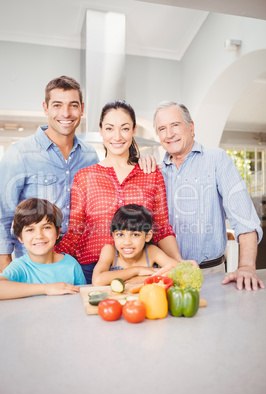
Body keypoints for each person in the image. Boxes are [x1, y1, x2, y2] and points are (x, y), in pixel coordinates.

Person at [55, 100, 188, 284]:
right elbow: (75, 231)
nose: (117, 136)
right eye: (109, 128)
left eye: (124, 128)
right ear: (101, 130)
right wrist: (48, 260)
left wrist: (179, 262)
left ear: (134, 131)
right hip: (92, 271)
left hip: (142, 272)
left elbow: (161, 228)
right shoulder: (84, 177)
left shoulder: (151, 174)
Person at [140, 101, 264, 291]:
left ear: (191, 127)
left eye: (175, 125)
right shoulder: (155, 171)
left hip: (209, 275)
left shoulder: (217, 159)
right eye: (162, 128)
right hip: (164, 275)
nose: (169, 134)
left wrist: (246, 267)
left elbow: (244, 219)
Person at [0, 76, 99, 272]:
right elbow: (3, 215)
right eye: (57, 105)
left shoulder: (90, 155)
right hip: (36, 266)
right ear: (45, 108)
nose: (66, 113)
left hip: (83, 264)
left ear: (82, 108)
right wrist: (5, 264)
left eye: (73, 105)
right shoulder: (19, 153)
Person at [0, 198, 86, 300]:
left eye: (46, 227)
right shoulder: (20, 267)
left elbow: (82, 298)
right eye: (30, 229)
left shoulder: (71, 264)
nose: (39, 235)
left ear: (58, 232)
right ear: (20, 237)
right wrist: (47, 288)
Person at [92, 204, 179, 286]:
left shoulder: (151, 251)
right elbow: (97, 281)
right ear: (113, 235)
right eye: (120, 234)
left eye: (135, 235)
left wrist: (144, 279)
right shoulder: (109, 251)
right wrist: (137, 270)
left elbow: (180, 272)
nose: (127, 242)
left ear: (147, 236)